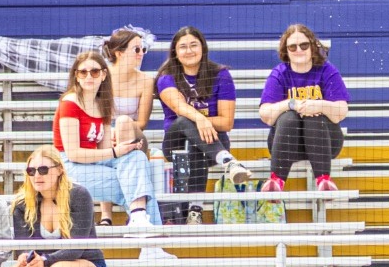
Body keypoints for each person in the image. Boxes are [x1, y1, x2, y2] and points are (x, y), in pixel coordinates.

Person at [53, 50, 166, 237]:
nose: (89, 76)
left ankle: (138, 219)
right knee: (138, 187)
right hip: (69, 167)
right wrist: (116, 153)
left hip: (93, 163)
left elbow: (105, 149)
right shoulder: (69, 103)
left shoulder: (103, 103)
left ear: (104, 75)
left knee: (137, 157)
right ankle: (152, 241)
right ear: (76, 76)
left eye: (95, 72)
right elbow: (73, 153)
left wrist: (127, 151)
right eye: (83, 72)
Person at [4, 147, 105, 267]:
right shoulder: (21, 204)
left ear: (59, 169)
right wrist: (26, 259)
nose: (37, 176)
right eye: (31, 171)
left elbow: (77, 248)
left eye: (43, 170)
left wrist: (45, 261)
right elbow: (23, 247)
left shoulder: (79, 195)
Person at [156, 26, 250, 222]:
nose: (189, 51)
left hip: (211, 143)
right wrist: (200, 118)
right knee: (184, 121)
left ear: (203, 47)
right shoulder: (166, 77)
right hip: (175, 144)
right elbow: (179, 107)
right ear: (175, 52)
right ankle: (228, 162)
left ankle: (194, 212)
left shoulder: (220, 75)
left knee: (197, 144)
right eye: (183, 47)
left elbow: (226, 122)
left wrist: (201, 123)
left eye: (193, 45)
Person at [258, 25, 348, 191]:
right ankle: (276, 182)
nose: (298, 50)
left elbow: (341, 112)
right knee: (288, 116)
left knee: (313, 115)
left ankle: (324, 180)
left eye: (304, 45)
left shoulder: (327, 71)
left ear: (313, 46)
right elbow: (265, 115)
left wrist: (318, 105)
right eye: (292, 47)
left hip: (325, 143)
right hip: (287, 145)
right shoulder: (279, 73)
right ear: (286, 50)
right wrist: (291, 104)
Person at [103, 29, 155, 164]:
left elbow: (142, 124)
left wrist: (120, 130)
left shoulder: (146, 81)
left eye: (143, 49)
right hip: (103, 135)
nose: (142, 53)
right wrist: (110, 132)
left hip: (133, 134)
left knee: (123, 122)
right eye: (136, 50)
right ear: (119, 53)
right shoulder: (102, 76)